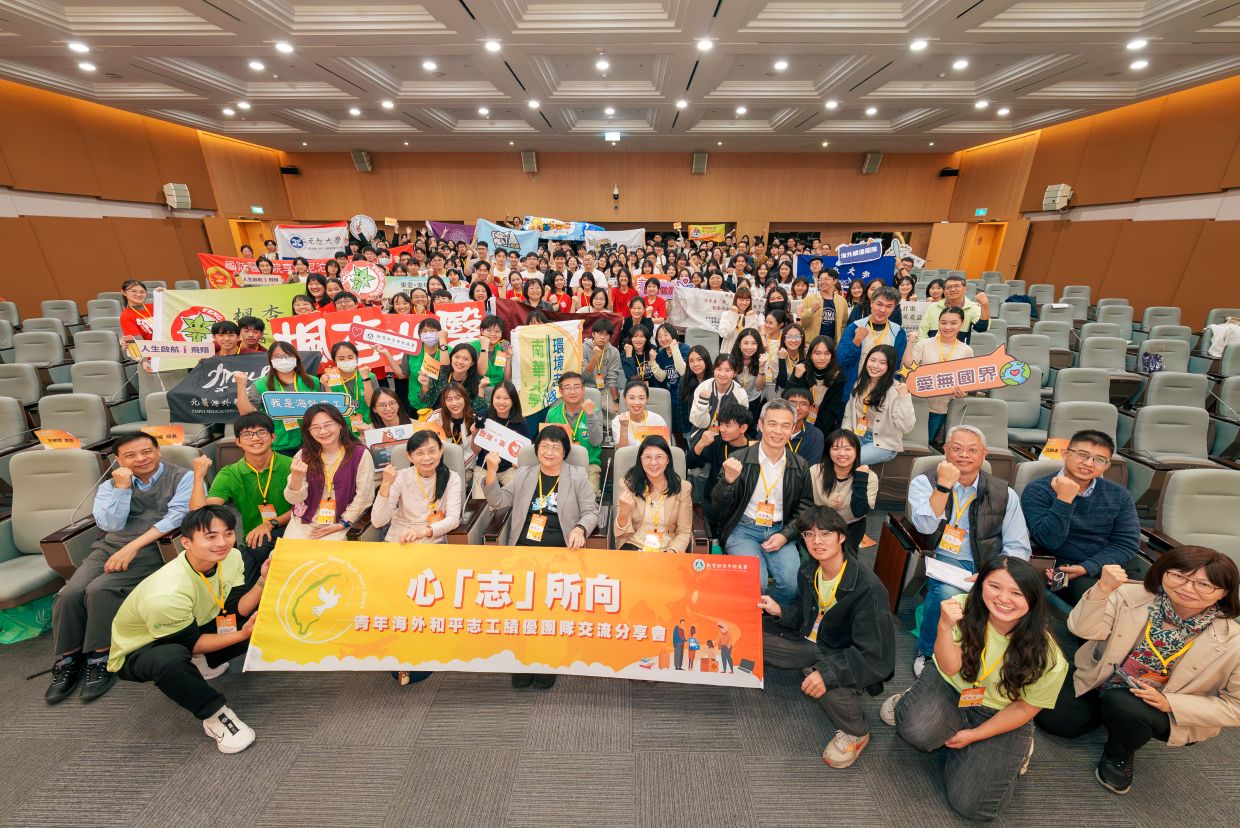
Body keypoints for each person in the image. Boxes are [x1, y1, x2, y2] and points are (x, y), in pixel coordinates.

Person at [1035, 547, 1240, 795]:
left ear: (1224, 592)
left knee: (1125, 707)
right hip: (1103, 679)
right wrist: (1102, 590)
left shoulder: (1233, 641)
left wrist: (1170, 703)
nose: (1187, 588)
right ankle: (1111, 715)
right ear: (1163, 572)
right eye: (1179, 576)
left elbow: (1236, 706)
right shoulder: (1129, 595)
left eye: (1203, 585)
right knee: (1056, 721)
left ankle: (1119, 752)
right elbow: (1081, 630)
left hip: (1158, 706)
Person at [881, 557, 1066, 822]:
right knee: (915, 730)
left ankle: (1017, 747)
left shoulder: (1050, 657)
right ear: (979, 585)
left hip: (1001, 711)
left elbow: (1025, 708)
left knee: (974, 806)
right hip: (951, 687)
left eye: (1017, 593)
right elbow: (949, 667)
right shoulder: (961, 608)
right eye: (994, 586)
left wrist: (975, 735)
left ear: (1033, 598)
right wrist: (944, 626)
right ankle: (919, 703)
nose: (1003, 599)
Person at [45, 433, 195, 704]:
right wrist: (122, 488)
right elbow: (109, 525)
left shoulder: (183, 477)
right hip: (110, 546)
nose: (141, 459)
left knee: (100, 589)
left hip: (154, 548)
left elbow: (178, 517)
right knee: (70, 593)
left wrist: (133, 547)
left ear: (158, 451)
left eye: (147, 451)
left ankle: (101, 656)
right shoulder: (111, 484)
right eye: (130, 455)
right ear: (118, 460)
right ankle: (70, 658)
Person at [106, 506, 268, 753]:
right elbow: (190, 642)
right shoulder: (167, 593)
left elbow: (237, 608)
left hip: (189, 625)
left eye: (228, 533)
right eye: (211, 536)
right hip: (141, 648)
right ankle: (215, 717)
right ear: (186, 542)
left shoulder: (232, 557)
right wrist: (242, 634)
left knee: (261, 620)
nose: (222, 542)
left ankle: (200, 662)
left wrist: (263, 580)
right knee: (170, 660)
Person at [759, 507, 895, 768]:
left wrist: (828, 673)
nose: (816, 541)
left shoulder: (868, 589)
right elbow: (802, 613)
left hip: (843, 655)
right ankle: (812, 667)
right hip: (812, 642)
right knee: (753, 638)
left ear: (841, 537)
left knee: (827, 684)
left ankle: (857, 732)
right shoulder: (809, 570)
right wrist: (780, 611)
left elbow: (876, 657)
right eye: (809, 535)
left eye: (825, 534)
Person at [907, 425, 1032, 676]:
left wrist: (994, 574)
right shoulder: (924, 482)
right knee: (947, 593)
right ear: (945, 450)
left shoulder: (1004, 493)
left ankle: (1000, 656)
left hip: (990, 562)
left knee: (1016, 598)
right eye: (956, 448)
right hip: (946, 560)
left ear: (984, 454)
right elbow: (924, 526)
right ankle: (928, 651)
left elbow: (1018, 545)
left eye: (972, 450)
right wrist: (943, 487)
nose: (964, 454)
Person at [482, 426, 600, 689]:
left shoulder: (577, 475)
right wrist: (491, 472)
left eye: (556, 447)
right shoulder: (525, 474)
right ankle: (523, 659)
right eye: (544, 446)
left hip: (561, 552)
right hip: (524, 550)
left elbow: (592, 511)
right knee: (523, 607)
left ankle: (546, 658)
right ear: (536, 450)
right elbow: (498, 501)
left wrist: (580, 528)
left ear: (565, 452)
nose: (549, 452)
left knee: (550, 607)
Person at [711, 399, 815, 604]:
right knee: (755, 583)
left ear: (792, 429)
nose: (778, 431)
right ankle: (753, 612)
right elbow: (718, 505)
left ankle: (771, 614)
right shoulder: (738, 459)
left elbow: (805, 508)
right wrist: (727, 481)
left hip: (780, 529)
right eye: (772, 424)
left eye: (785, 425)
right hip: (743, 529)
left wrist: (786, 535)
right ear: (760, 425)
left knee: (792, 585)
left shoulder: (800, 465)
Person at [1020, 430, 1140, 605]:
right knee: (1108, 605)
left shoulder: (1120, 494)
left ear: (1107, 466)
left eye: (1099, 459)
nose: (1089, 463)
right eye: (1083, 455)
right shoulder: (1038, 490)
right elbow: (1049, 541)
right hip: (1064, 570)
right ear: (1065, 454)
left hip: (1110, 566)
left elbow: (1127, 544)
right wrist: (1064, 500)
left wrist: (1087, 567)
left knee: (1146, 600)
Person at [188, 413, 292, 587]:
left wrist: (270, 523)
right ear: (238, 441)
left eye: (261, 432)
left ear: (273, 437)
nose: (255, 438)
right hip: (253, 540)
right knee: (240, 588)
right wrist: (198, 476)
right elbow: (199, 514)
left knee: (264, 560)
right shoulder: (230, 473)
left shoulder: (291, 465)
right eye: (247, 434)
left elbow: (304, 509)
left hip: (290, 531)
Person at [283, 404, 376, 542]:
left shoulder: (360, 454)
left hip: (341, 522)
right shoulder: (303, 455)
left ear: (340, 424)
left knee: (324, 554)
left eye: (328, 425)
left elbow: (364, 497)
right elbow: (293, 500)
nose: (323, 431)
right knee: (287, 552)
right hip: (305, 522)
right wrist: (296, 478)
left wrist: (343, 523)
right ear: (309, 431)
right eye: (315, 427)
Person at [372, 430, 463, 544]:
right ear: (409, 457)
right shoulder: (400, 477)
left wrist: (424, 532)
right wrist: (385, 484)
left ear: (441, 450)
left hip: (432, 540)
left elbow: (453, 519)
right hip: (398, 539)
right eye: (419, 453)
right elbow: (378, 522)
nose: (427, 458)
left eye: (432, 451)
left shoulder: (452, 478)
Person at [235, 341, 320, 457]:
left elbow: (325, 409)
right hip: (279, 443)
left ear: (296, 358)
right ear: (271, 360)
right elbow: (246, 413)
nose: (283, 360)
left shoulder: (313, 381)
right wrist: (241, 386)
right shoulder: (261, 385)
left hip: (311, 441)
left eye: (288, 356)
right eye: (278, 357)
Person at [903, 306, 973, 442]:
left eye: (953, 323)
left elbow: (966, 381)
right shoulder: (924, 344)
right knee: (909, 442)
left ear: (962, 323)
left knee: (927, 442)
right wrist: (910, 342)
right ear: (938, 322)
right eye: (943, 322)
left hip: (941, 407)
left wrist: (963, 391)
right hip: (917, 403)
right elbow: (908, 368)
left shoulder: (966, 351)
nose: (947, 327)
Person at [614, 435, 694, 552]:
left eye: (659, 457)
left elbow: (684, 532)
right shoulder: (628, 485)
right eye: (647, 457)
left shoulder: (683, 488)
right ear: (640, 460)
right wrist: (623, 513)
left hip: (667, 549)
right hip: (634, 547)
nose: (653, 463)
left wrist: (671, 552)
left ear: (668, 460)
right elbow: (621, 534)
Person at [842, 344, 915, 467]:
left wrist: (905, 398)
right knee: (834, 454)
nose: (875, 366)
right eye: (872, 360)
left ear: (889, 366)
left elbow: (906, 427)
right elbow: (849, 414)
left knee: (849, 459)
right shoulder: (860, 383)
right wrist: (846, 435)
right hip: (857, 435)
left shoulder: (895, 390)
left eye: (882, 363)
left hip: (882, 443)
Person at [812, 429, 878, 554]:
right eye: (836, 448)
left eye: (848, 449)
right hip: (819, 525)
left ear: (857, 451)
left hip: (851, 527)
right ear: (828, 451)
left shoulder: (869, 477)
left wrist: (861, 479)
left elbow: (859, 511)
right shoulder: (815, 471)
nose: (842, 453)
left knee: (846, 561)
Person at [838, 286, 907, 400]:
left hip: (882, 393)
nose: (882, 310)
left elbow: (897, 366)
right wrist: (856, 341)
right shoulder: (854, 327)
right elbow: (841, 359)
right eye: (879, 304)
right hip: (854, 390)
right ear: (871, 303)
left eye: (889, 306)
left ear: (894, 308)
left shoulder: (898, 332)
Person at [543, 372, 605, 491]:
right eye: (567, 388)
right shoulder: (552, 413)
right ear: (561, 392)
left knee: (590, 495)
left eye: (576, 387)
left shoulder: (595, 412)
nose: (572, 391)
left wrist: (590, 415)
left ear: (583, 390)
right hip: (558, 464)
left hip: (588, 465)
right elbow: (545, 443)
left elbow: (597, 442)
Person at [475, 380, 531, 493]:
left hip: (509, 469)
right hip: (484, 467)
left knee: (518, 494)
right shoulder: (482, 416)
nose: (501, 402)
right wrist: (473, 434)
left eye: (506, 398)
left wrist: (518, 462)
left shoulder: (521, 422)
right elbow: (476, 450)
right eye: (498, 397)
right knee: (480, 502)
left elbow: (525, 453)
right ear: (492, 398)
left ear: (513, 400)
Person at [321, 341, 379, 434]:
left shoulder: (369, 376)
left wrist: (366, 379)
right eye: (341, 358)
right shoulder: (329, 380)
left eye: (350, 357)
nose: (346, 361)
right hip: (343, 429)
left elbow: (371, 404)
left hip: (369, 425)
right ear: (335, 360)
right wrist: (327, 387)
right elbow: (330, 409)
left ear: (356, 357)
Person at [919, 275, 991, 344]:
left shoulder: (973, 308)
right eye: (949, 287)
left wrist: (985, 305)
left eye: (957, 286)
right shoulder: (934, 307)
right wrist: (923, 347)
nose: (953, 289)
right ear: (944, 291)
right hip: (933, 348)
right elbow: (922, 331)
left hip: (958, 350)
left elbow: (982, 328)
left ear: (965, 289)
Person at [427, 382, 479, 472]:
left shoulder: (474, 419)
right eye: (449, 399)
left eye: (458, 398)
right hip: (439, 466)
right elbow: (425, 445)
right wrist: (436, 432)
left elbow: (474, 451)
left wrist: (460, 467)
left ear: (465, 398)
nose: (454, 403)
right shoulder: (435, 417)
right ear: (444, 402)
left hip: (466, 468)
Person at [688, 354, 748, 429]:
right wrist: (702, 404)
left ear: (735, 373)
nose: (722, 374)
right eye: (719, 369)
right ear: (714, 370)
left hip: (729, 432)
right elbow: (698, 423)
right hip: (703, 430)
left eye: (727, 370)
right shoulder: (703, 388)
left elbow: (740, 423)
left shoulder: (740, 394)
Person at [651, 324, 690, 435]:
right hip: (672, 395)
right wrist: (652, 361)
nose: (663, 339)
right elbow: (662, 377)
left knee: (686, 429)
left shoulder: (684, 348)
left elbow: (682, 371)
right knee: (674, 429)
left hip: (686, 394)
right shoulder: (661, 354)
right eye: (659, 336)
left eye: (666, 335)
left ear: (673, 334)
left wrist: (674, 348)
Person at [803, 335, 845, 438]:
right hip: (799, 422)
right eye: (817, 353)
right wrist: (795, 378)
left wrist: (814, 434)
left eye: (827, 353)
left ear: (832, 356)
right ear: (810, 355)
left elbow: (831, 412)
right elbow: (789, 397)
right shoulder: (802, 369)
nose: (822, 358)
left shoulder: (838, 377)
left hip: (823, 428)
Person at [582, 318, 623, 415]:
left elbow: (612, 379)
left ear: (610, 336)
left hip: (604, 390)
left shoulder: (614, 352)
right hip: (586, 388)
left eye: (606, 334)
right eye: (600, 333)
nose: (602, 337)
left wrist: (616, 401)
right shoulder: (584, 348)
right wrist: (595, 357)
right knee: (586, 415)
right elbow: (583, 376)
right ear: (593, 334)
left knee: (614, 415)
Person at [612, 379, 668, 448]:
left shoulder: (657, 420)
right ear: (625, 399)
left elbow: (665, 450)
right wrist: (624, 427)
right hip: (629, 455)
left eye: (641, 398)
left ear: (647, 399)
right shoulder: (618, 421)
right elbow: (621, 452)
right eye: (632, 398)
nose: (637, 402)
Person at [780, 386, 825, 467]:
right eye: (793, 403)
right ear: (784, 405)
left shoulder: (816, 435)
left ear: (810, 408)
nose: (797, 408)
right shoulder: (772, 429)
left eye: (803, 404)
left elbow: (813, 466)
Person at [731, 328, 768, 419]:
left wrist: (762, 367)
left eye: (754, 343)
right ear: (739, 344)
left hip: (753, 399)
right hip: (734, 398)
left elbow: (759, 387)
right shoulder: (730, 358)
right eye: (746, 343)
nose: (750, 347)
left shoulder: (762, 359)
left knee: (751, 424)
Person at [718, 287, 761, 354]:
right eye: (741, 300)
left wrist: (749, 318)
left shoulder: (753, 316)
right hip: (728, 353)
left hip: (746, 353)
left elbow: (752, 337)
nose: (744, 303)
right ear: (735, 299)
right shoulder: (726, 314)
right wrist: (734, 315)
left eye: (747, 300)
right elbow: (725, 334)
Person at [119, 279, 155, 345]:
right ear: (124, 292)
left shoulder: (155, 307)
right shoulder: (126, 316)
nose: (138, 294)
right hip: (151, 349)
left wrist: (164, 294)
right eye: (134, 291)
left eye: (142, 292)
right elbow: (138, 343)